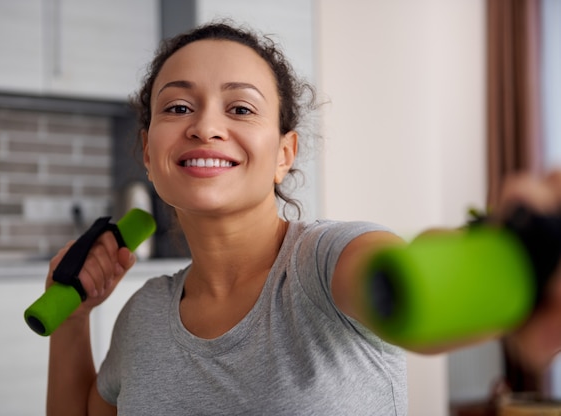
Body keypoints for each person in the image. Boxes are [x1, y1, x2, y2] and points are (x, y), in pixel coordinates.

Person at [45, 22, 561, 415]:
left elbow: (409, 290)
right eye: (178, 107)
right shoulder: (144, 315)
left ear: (284, 154)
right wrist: (72, 322)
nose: (205, 126)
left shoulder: (330, 263)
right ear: (148, 151)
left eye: (241, 109)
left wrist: (528, 252)